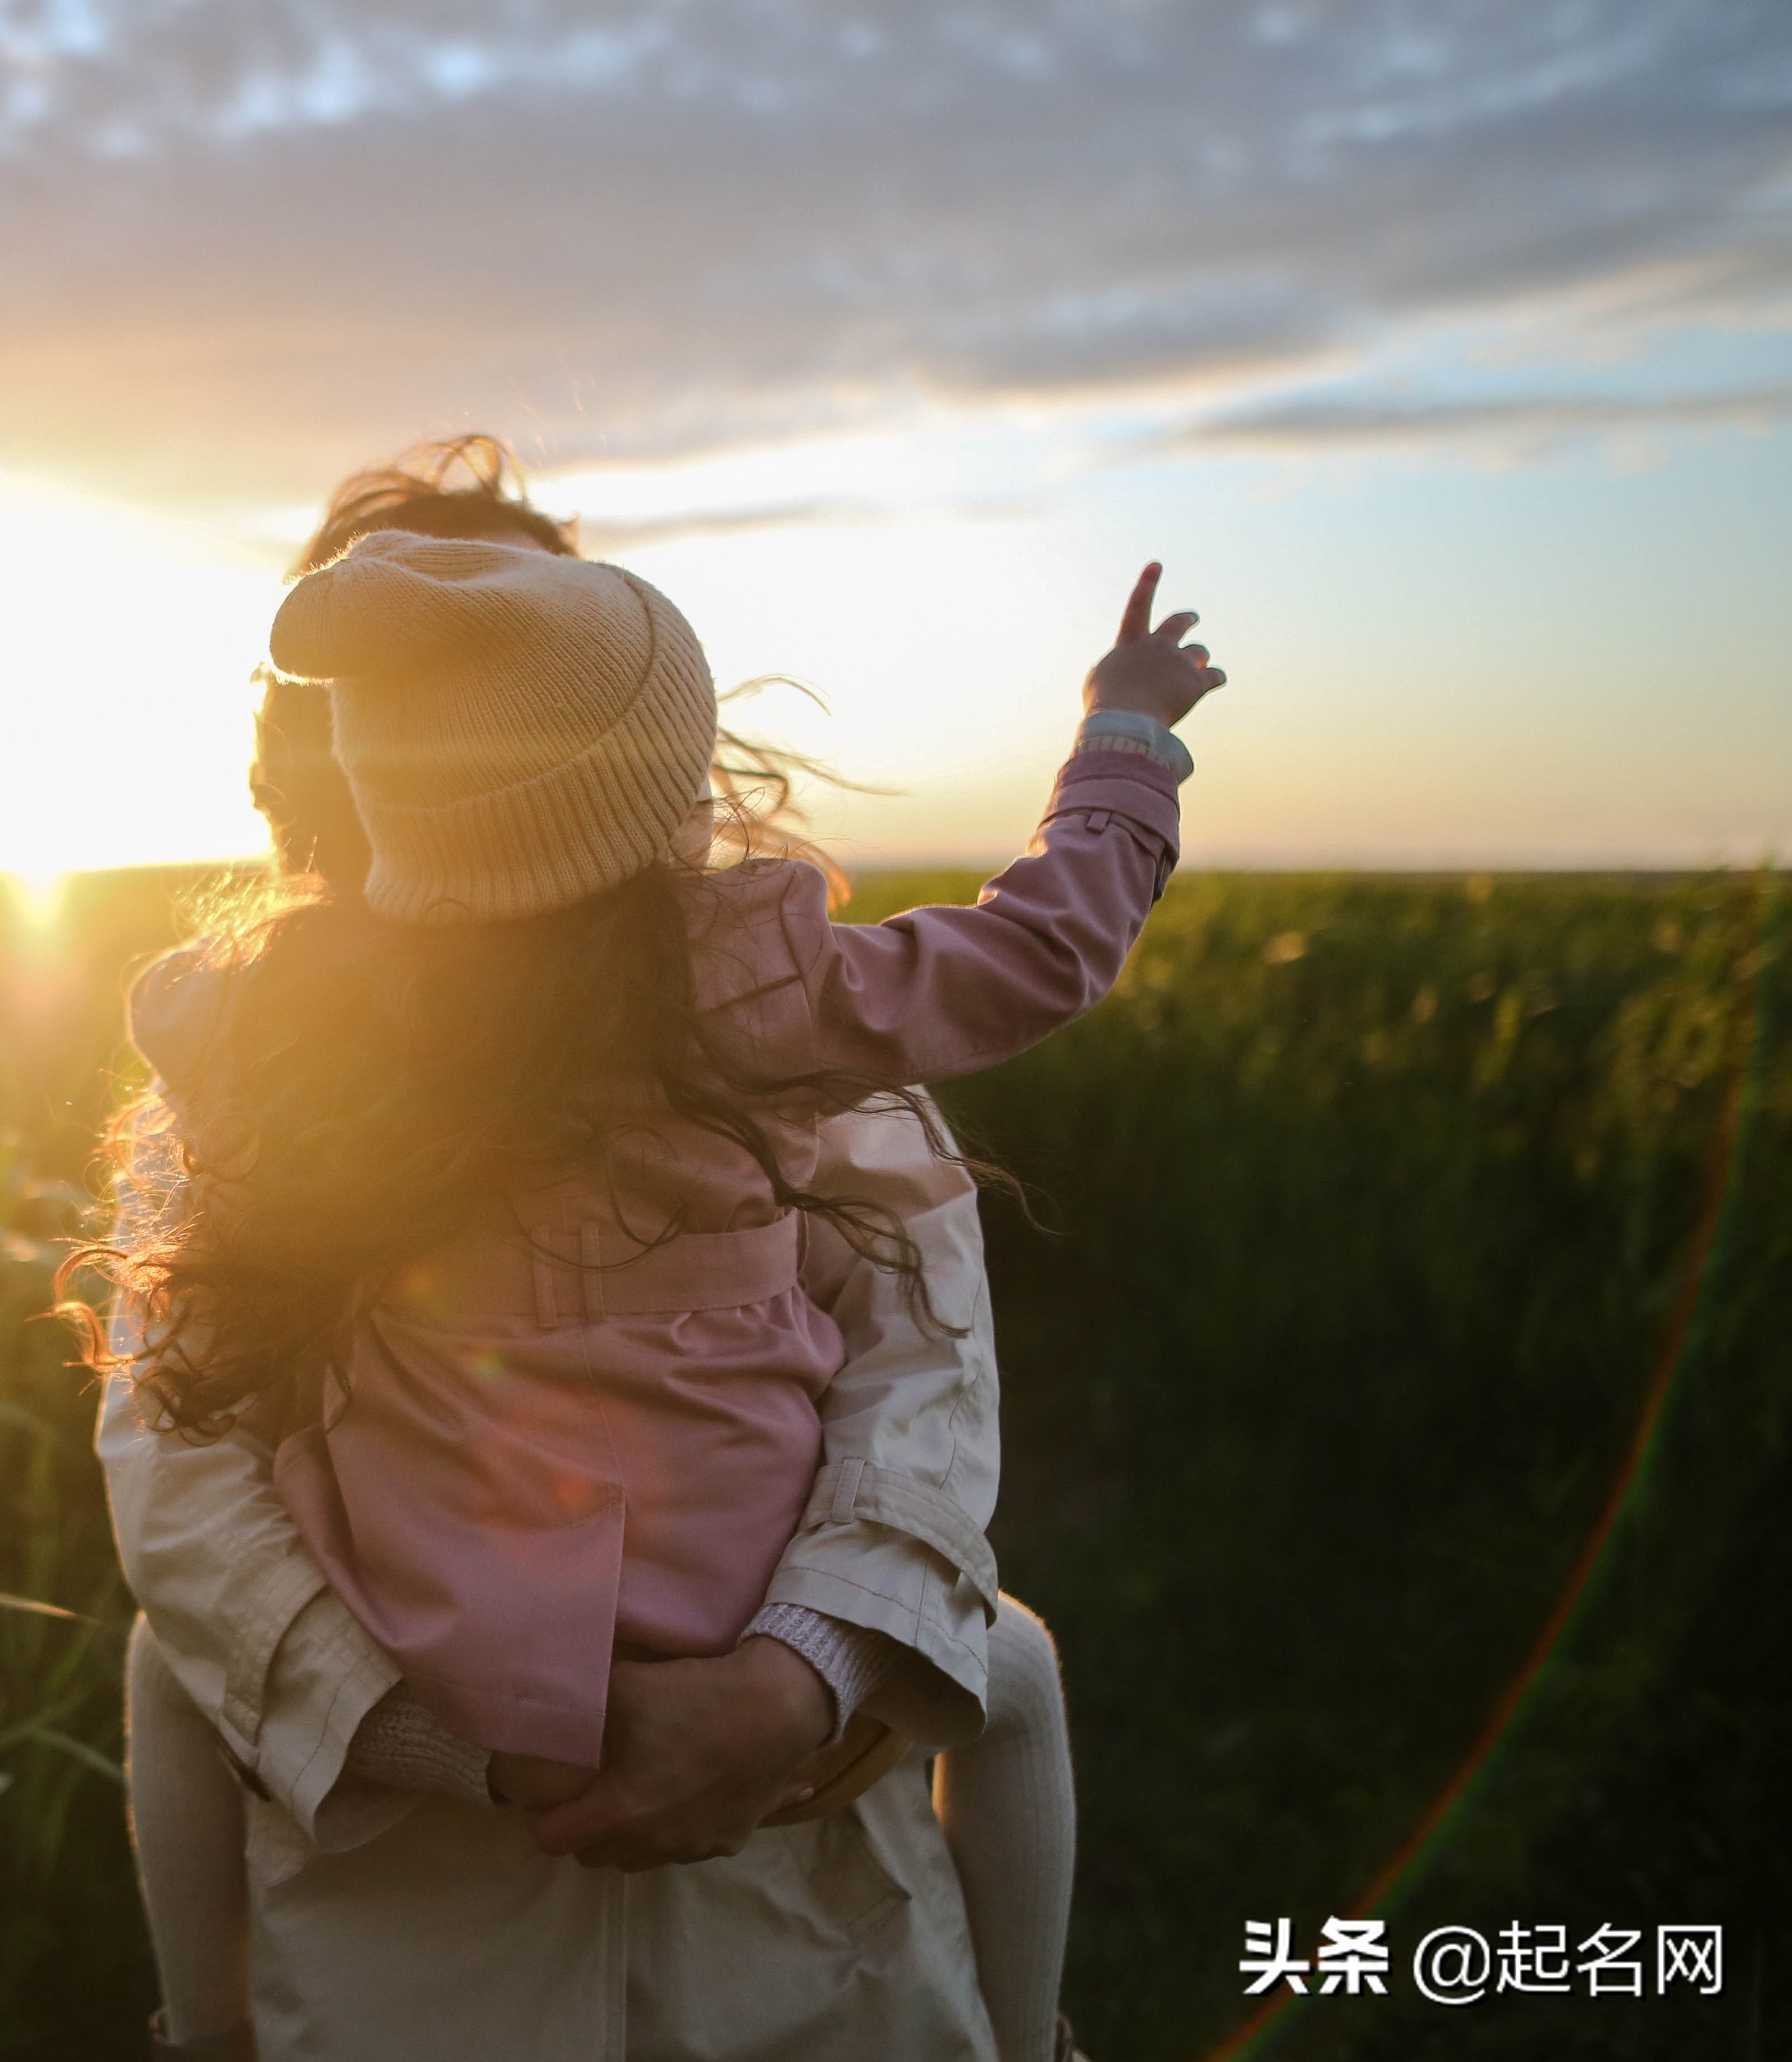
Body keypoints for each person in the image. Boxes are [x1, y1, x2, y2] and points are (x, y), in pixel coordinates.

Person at [90, 440, 1216, 2060]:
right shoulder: (771, 1004)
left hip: (782, 1878)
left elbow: (919, 1372)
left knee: (164, 1673)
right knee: (1013, 1665)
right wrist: (1120, 746)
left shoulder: (269, 1036)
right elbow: (179, 1465)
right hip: (414, 1889)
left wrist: (790, 1684)